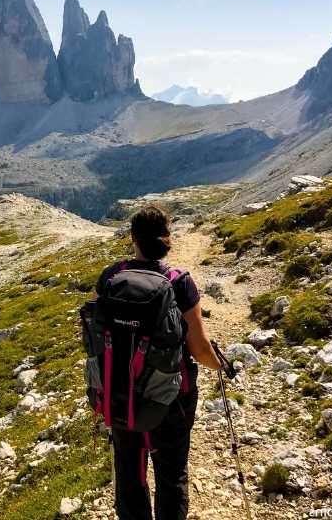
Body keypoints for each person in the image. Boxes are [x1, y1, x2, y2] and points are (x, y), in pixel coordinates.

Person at [94, 205, 222, 520]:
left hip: (119, 392)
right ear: (167, 239)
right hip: (170, 398)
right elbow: (200, 349)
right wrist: (220, 365)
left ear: (132, 238)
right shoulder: (179, 282)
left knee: (128, 471)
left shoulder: (110, 277)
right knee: (171, 473)